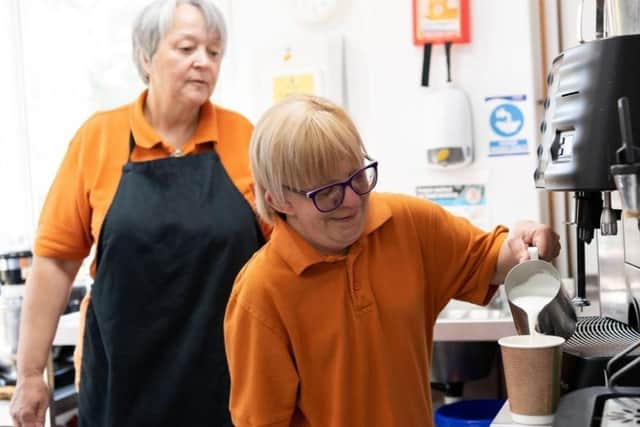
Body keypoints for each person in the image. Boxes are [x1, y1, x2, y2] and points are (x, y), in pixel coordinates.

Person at [223, 94, 561, 427]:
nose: (353, 201)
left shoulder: (408, 224)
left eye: (357, 177)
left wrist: (523, 242)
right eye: (328, 193)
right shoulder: (260, 294)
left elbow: (490, 260)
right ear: (279, 200)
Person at [10, 1, 269, 426]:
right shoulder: (98, 139)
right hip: (122, 385)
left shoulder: (245, 137)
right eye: (187, 48)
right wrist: (29, 374)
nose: (203, 62)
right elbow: (56, 260)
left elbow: (285, 256)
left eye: (214, 51)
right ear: (146, 56)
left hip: (229, 385)